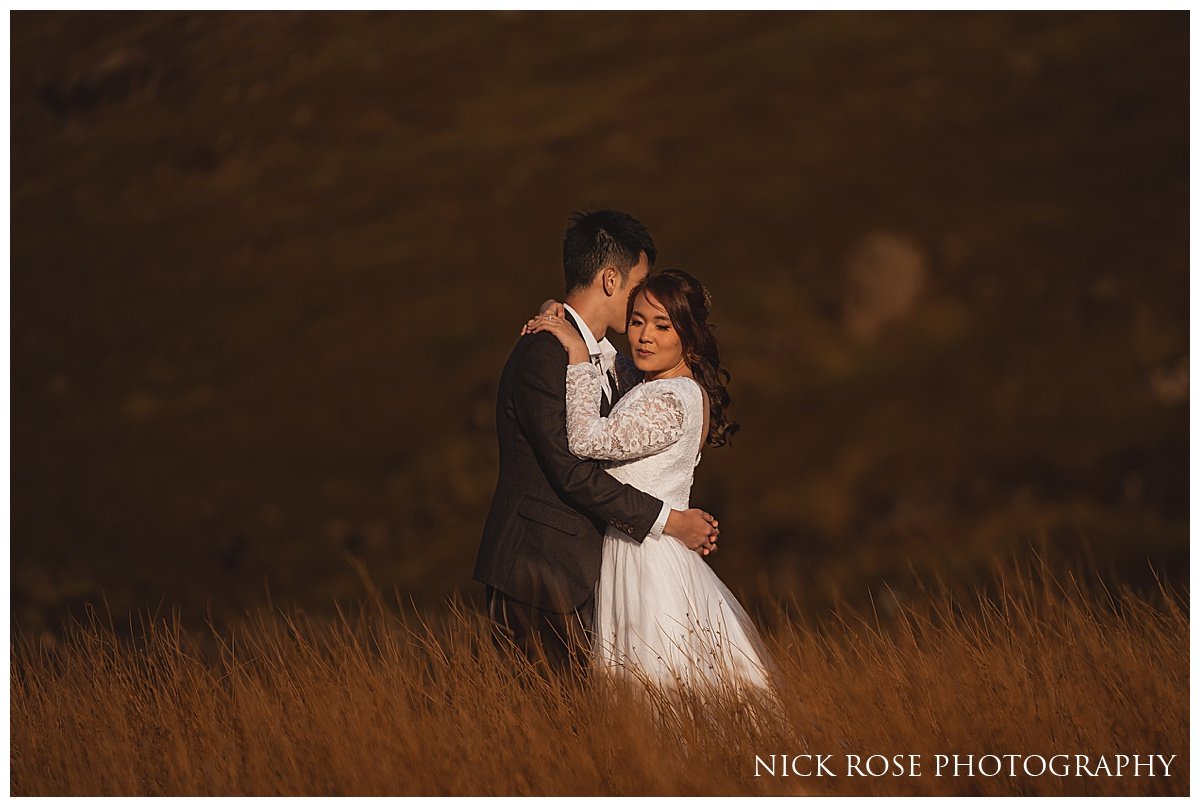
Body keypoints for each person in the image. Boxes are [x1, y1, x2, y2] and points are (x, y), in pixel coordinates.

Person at [473, 211, 721, 673]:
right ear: (611, 279)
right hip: (538, 568)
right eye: (638, 284)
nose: (640, 303)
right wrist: (669, 522)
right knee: (550, 722)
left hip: (583, 574)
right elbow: (569, 467)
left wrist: (561, 319)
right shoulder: (545, 352)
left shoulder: (598, 356)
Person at [524, 269, 775, 693]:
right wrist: (557, 314)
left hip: (647, 560)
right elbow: (606, 353)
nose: (644, 336)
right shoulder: (655, 383)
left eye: (662, 326)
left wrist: (575, 356)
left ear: (689, 337)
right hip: (641, 549)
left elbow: (587, 440)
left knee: (656, 689)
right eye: (637, 321)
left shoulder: (670, 399)